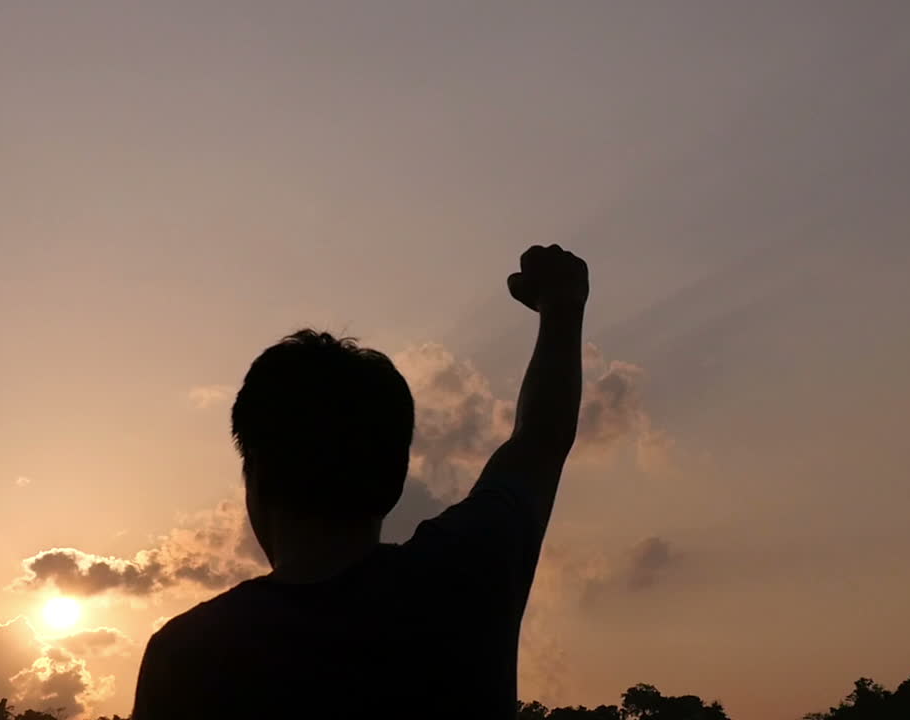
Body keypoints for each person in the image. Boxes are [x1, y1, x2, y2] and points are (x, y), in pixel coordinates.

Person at [132, 245, 589, 719]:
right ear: (395, 482)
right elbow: (540, 440)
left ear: (254, 478)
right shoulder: (465, 578)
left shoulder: (186, 657)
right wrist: (561, 304)